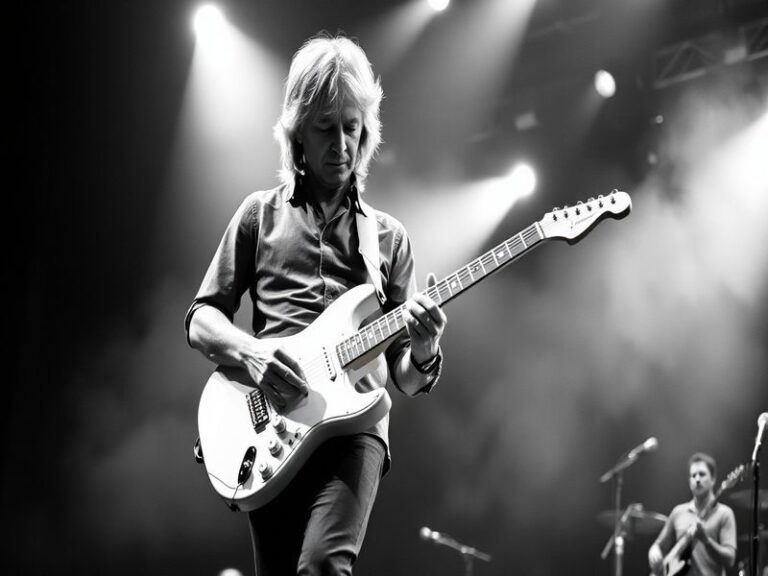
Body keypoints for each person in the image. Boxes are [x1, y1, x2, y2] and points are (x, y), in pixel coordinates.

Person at [184, 33, 447, 575]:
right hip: (274, 424)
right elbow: (201, 320)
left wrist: (424, 350)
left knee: (324, 566)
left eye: (352, 127)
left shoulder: (388, 239)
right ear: (297, 131)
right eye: (326, 128)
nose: (342, 144)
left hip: (354, 431)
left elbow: (405, 377)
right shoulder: (259, 216)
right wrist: (252, 353)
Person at [648, 452, 737, 576]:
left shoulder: (725, 513)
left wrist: (706, 540)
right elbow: (659, 545)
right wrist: (654, 552)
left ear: (713, 479)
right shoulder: (678, 512)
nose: (697, 479)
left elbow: (730, 559)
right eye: (693, 475)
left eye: (702, 474)